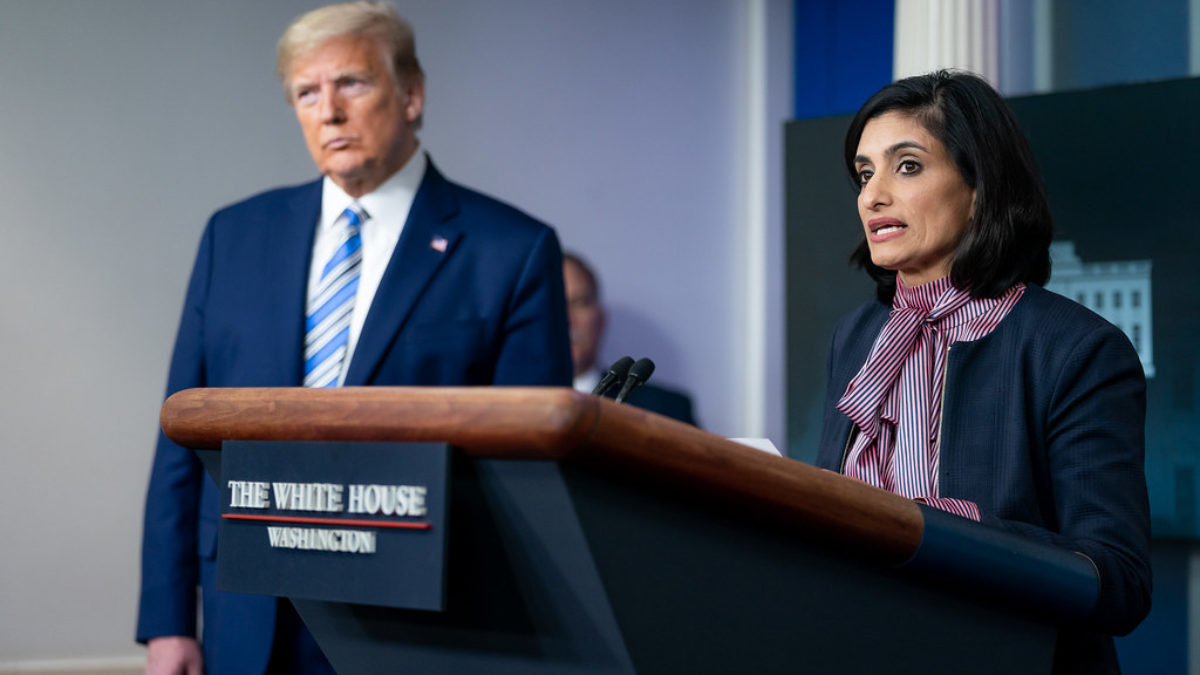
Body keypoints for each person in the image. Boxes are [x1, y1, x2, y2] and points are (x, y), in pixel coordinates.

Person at [137, 3, 572, 673]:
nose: (328, 111)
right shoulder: (235, 235)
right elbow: (182, 439)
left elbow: (531, 483)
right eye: (307, 93)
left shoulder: (509, 250)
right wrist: (168, 620)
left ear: (412, 94)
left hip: (420, 625)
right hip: (249, 617)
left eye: (352, 83)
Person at [814, 70, 1150, 674]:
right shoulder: (856, 337)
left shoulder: (1077, 349)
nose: (872, 196)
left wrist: (934, 527)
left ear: (980, 189)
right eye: (865, 174)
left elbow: (1118, 579)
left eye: (907, 166)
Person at [563, 251, 697, 425]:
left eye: (579, 303)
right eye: (554, 305)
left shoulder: (667, 409)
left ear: (601, 319)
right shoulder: (516, 404)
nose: (568, 319)